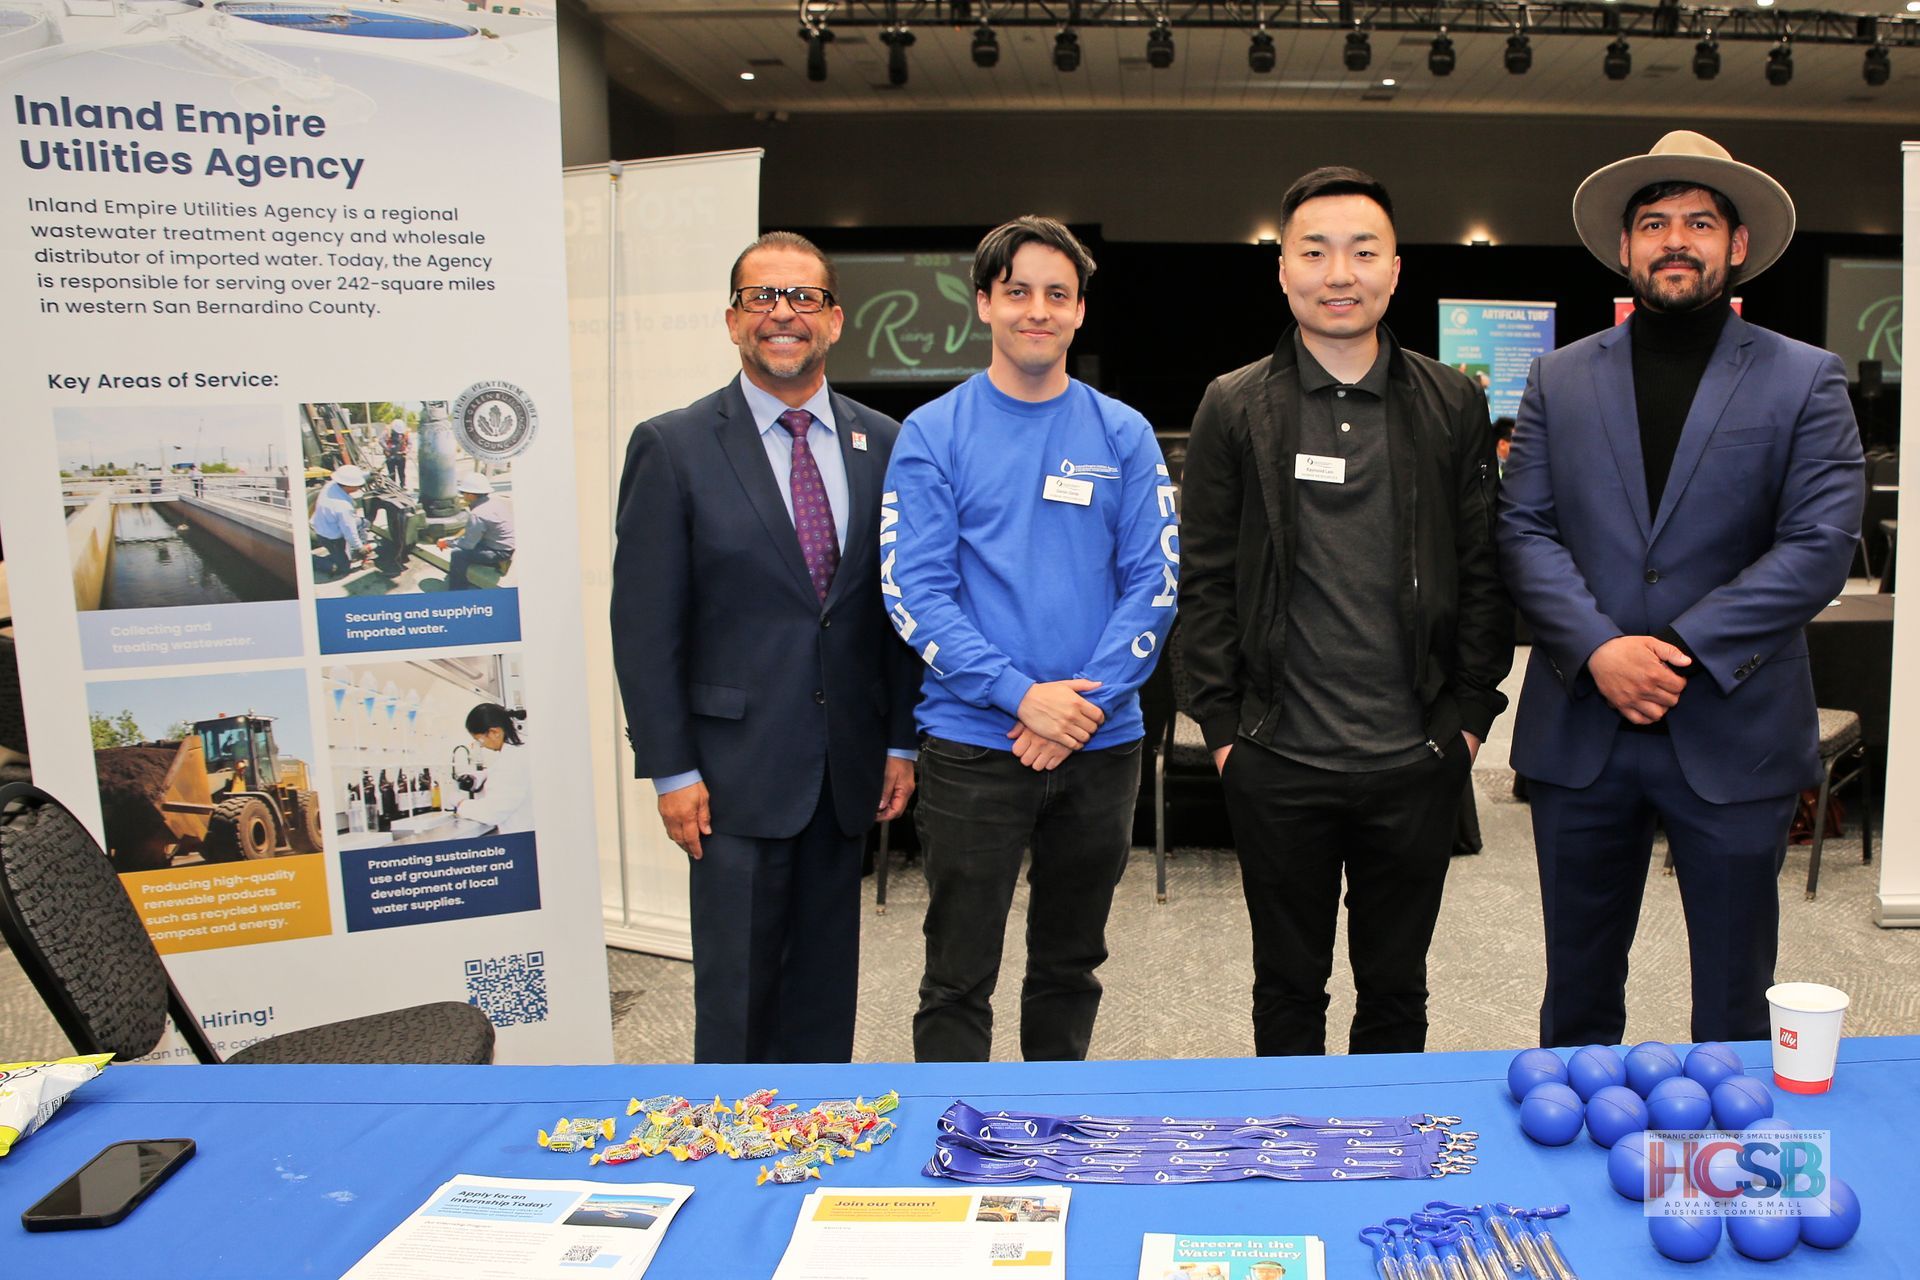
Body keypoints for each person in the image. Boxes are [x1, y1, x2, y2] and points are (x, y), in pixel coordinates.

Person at [1498, 131, 1864, 1046]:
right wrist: (1601, 650)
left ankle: (1728, 1176)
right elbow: (1523, 529)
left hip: (1733, 729)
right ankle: (1572, 1176)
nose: (1675, 239)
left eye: (1700, 222)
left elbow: (1820, 544)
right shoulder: (1558, 377)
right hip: (1584, 726)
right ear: (1624, 248)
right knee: (1576, 998)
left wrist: (1682, 648)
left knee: (1737, 1001)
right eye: (1654, 222)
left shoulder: (1804, 377)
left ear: (1736, 246)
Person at [1179, 167, 1512, 1058]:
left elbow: (1484, 568)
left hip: (1417, 758)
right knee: (1286, 989)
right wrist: (1222, 728)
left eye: (1362, 252)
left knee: (1397, 991)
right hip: (1276, 758)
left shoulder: (1452, 403)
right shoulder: (1233, 405)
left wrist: (1470, 717)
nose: (1340, 273)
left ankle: (1384, 1167)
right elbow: (1203, 576)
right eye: (1315, 251)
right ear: (1282, 269)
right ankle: (1296, 1172)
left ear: (1395, 270)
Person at [611, 231, 920, 1064]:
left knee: (825, 996)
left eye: (803, 299)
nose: (783, 314)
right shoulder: (672, 446)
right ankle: (732, 1162)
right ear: (732, 320)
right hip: (728, 775)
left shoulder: (886, 444)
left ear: (835, 320)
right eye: (762, 298)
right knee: (740, 1000)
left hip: (845, 769)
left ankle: (817, 1146)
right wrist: (671, 771)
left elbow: (895, 610)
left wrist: (898, 740)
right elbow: (643, 626)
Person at [884, 215, 1178, 1063]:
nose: (1037, 311)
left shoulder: (1121, 433)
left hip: (1099, 743)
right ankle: (955, 1146)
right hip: (975, 746)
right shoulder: (933, 434)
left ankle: (1048, 1143)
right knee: (956, 974)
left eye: (1058, 294)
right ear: (984, 302)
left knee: (1070, 966)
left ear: (1081, 310)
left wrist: (1077, 707)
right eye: (1018, 292)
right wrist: (1023, 698)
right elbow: (915, 592)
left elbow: (1153, 582)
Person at [456, 703, 533, 835]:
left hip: (523, 840)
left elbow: (492, 813)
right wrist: (485, 774)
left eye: (479, 740)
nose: (482, 745)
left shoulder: (510, 762)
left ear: (494, 732)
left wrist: (461, 805)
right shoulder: (521, 750)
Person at [438, 474, 515, 590]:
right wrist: (455, 537)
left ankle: (458, 590)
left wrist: (447, 543)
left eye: (464, 493)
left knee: (458, 554)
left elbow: (468, 544)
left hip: (499, 550)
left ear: (471, 495)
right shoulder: (494, 502)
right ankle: (500, 562)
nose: (462, 496)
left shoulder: (478, 513)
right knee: (471, 544)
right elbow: (472, 530)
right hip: (508, 545)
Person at [310, 464, 372, 578]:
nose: (360, 486)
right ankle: (311, 559)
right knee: (342, 568)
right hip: (330, 538)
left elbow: (350, 477)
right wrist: (360, 547)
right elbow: (349, 532)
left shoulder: (332, 484)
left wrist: (370, 473)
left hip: (324, 525)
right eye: (359, 485)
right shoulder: (343, 507)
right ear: (349, 486)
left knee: (364, 523)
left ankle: (354, 552)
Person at [383, 418, 409, 487]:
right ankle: (392, 486)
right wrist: (387, 449)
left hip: (401, 456)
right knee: (391, 472)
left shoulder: (405, 434)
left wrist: (406, 450)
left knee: (401, 472)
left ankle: (403, 485)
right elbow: (381, 440)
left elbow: (409, 443)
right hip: (390, 456)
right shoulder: (387, 432)